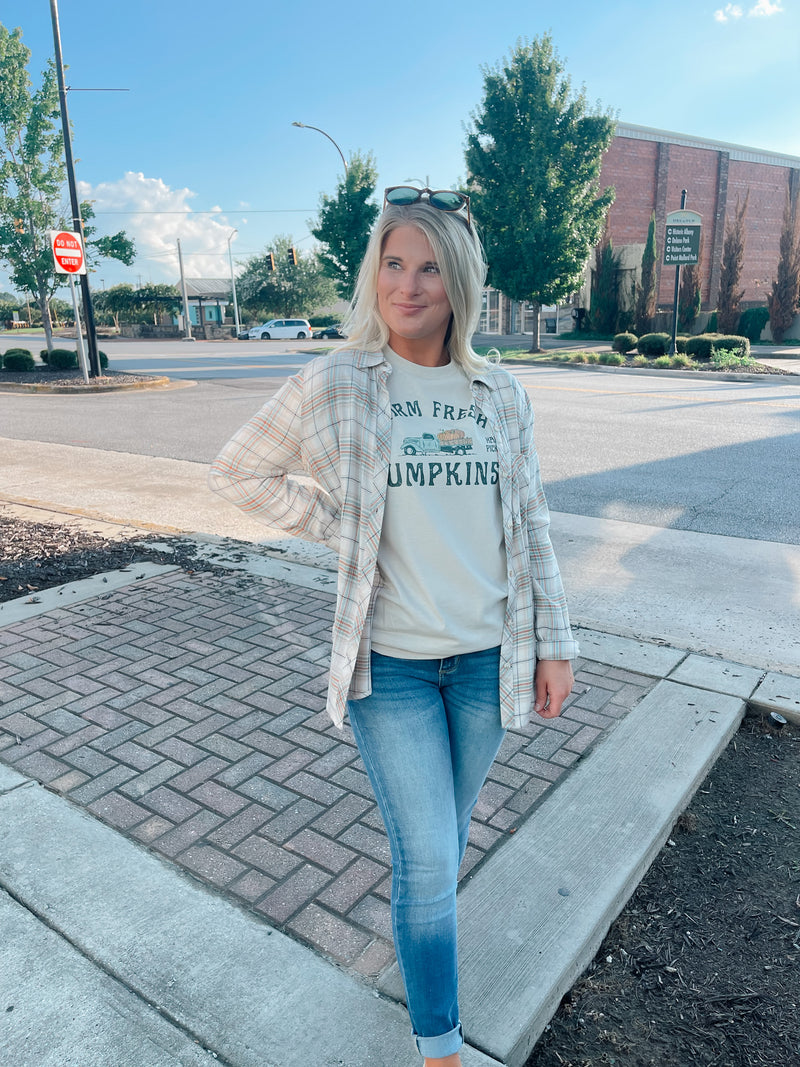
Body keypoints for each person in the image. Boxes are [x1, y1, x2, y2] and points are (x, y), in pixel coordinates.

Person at [209, 186, 578, 1067]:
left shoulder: (499, 393)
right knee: (425, 856)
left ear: (461, 286)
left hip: (490, 659)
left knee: (443, 845)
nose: (407, 286)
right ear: (374, 271)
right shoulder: (339, 378)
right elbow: (241, 473)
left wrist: (557, 642)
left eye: (429, 270)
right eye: (393, 263)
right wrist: (344, 519)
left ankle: (425, 961)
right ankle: (440, 1046)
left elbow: (530, 522)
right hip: (393, 671)